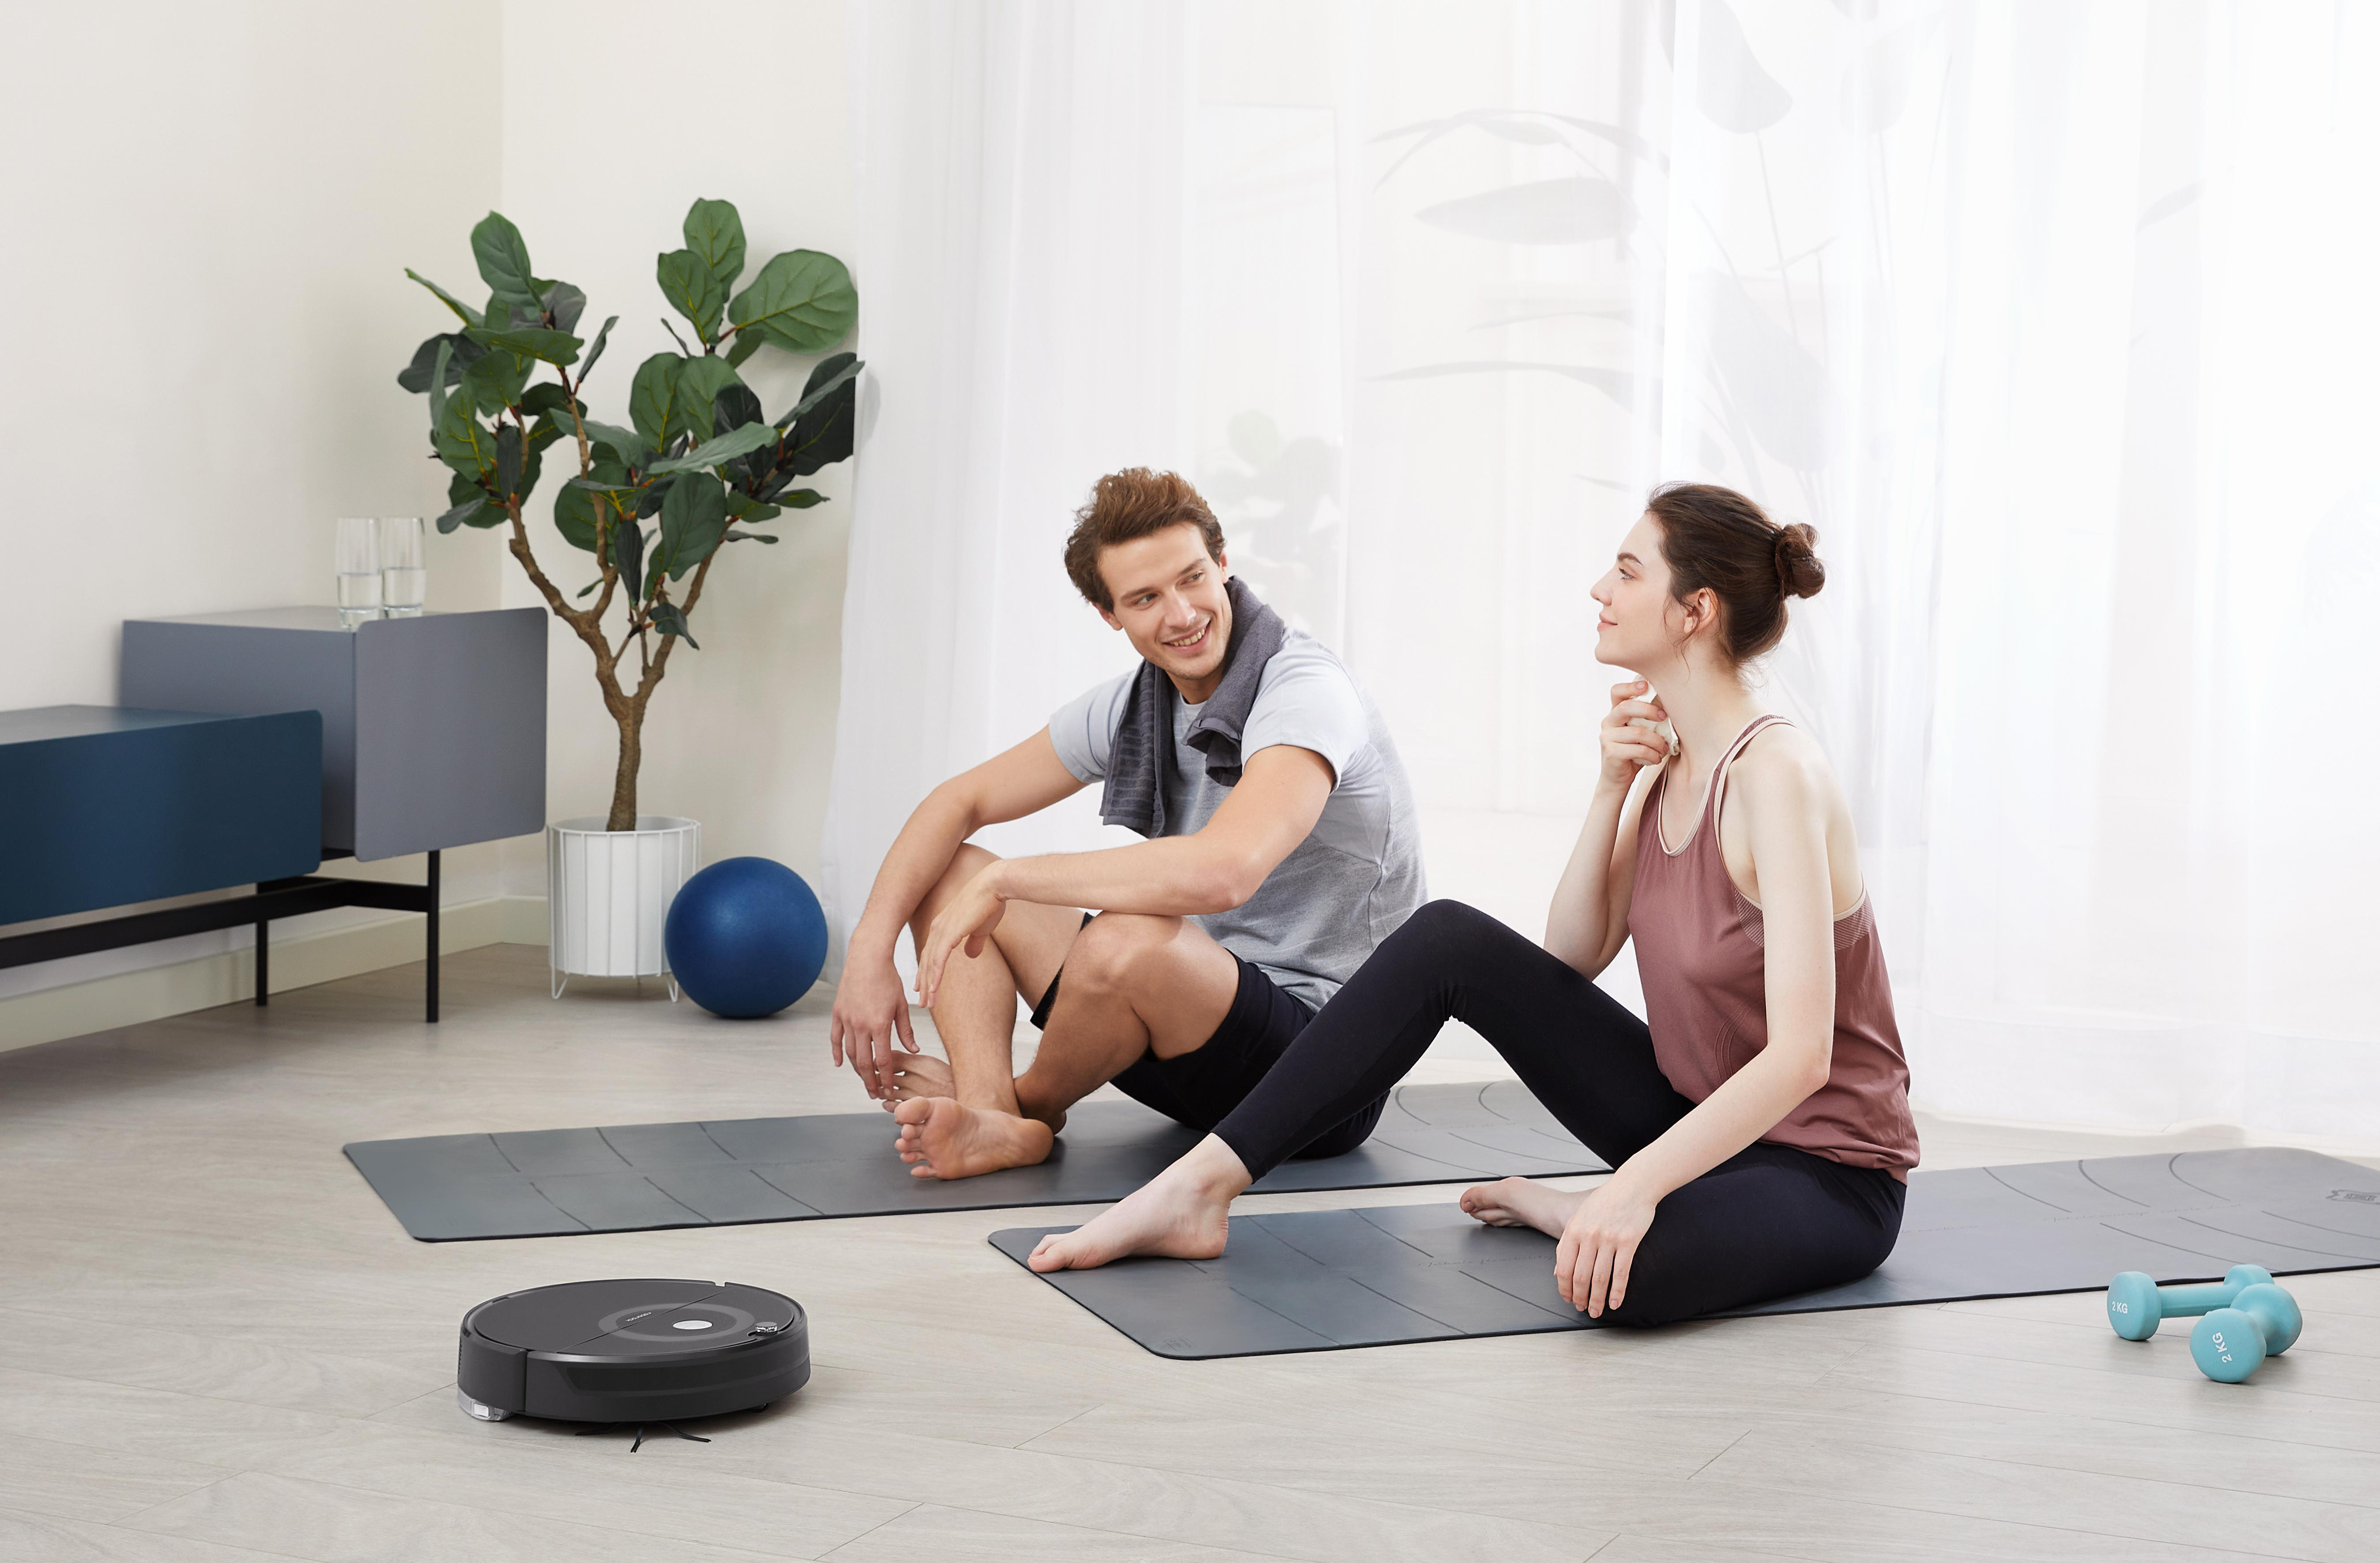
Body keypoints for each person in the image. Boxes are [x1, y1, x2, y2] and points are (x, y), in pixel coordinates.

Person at [1027, 482, 1919, 1328]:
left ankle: (1580, 1208)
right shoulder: (1667, 762)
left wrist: (1628, 1187)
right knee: (1448, 938)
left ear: (1696, 611)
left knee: (1621, 1279)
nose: (1599, 589)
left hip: (1824, 1170)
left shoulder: (1776, 774)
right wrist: (1611, 787)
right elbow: (1570, 957)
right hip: (1697, 1123)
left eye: (1627, 571)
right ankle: (1198, 1188)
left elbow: (1801, 1057)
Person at [829, 468, 1427, 1180]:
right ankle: (992, 1117)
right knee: (954, 871)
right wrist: (869, 951)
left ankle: (1029, 1105)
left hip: (1325, 1077)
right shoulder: (1135, 706)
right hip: (1188, 1034)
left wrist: (1010, 879)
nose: (1181, 614)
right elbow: (956, 801)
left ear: (1223, 563)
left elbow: (1225, 871)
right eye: (1146, 598)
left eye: (1192, 578)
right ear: (1109, 613)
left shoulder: (1304, 692)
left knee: (1126, 933)